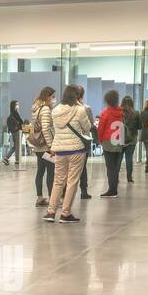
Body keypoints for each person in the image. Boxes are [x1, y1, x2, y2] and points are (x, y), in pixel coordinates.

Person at [44, 84, 92, 223]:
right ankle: (65, 213)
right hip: (76, 150)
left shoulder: (56, 110)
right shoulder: (80, 110)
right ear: (77, 96)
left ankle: (51, 212)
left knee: (58, 181)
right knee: (72, 181)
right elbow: (87, 127)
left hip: (60, 150)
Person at [97, 88, 125, 198]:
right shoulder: (121, 111)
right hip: (118, 140)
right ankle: (114, 188)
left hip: (108, 141)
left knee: (110, 167)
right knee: (116, 166)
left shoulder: (105, 112)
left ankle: (112, 190)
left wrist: (100, 140)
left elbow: (101, 128)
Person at [31, 86, 56, 207]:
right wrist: (51, 146)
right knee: (51, 172)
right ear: (47, 97)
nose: (54, 100)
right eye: (53, 97)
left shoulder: (36, 108)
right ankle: (52, 199)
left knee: (40, 171)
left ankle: (40, 198)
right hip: (46, 147)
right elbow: (46, 129)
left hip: (38, 146)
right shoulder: (45, 109)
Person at [75, 85, 93, 199]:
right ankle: (84, 191)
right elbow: (90, 125)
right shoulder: (86, 108)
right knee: (82, 167)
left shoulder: (64, 108)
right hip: (83, 140)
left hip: (69, 141)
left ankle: (64, 192)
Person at [121, 96, 139, 184]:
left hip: (120, 139)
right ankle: (129, 177)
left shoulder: (119, 112)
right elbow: (140, 126)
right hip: (132, 139)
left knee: (118, 159)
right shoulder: (136, 113)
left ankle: (116, 177)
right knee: (129, 158)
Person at [3, 100, 23, 166]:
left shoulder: (15, 113)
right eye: (17, 104)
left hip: (16, 132)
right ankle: (17, 160)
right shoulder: (14, 114)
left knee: (15, 147)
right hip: (16, 133)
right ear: (13, 105)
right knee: (17, 147)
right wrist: (18, 127)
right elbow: (20, 122)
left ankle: (6, 157)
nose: (18, 106)